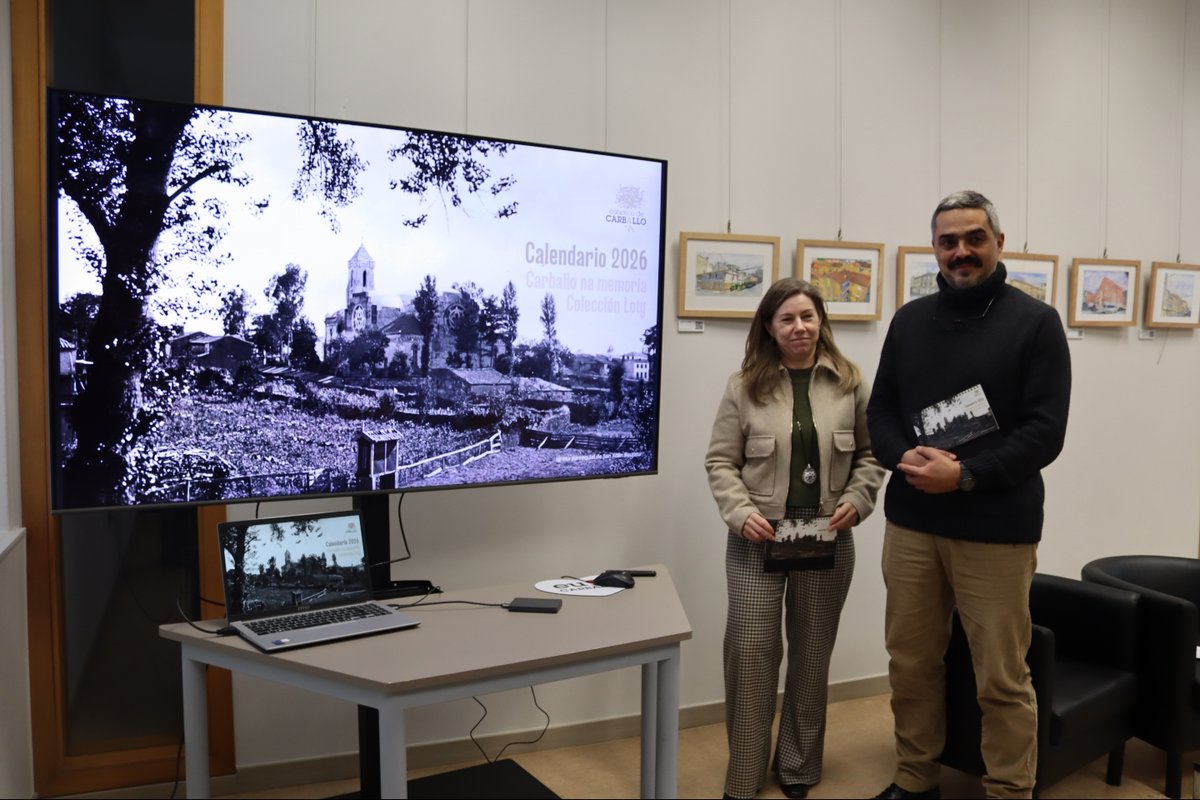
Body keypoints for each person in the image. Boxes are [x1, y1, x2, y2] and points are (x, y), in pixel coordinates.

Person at [867, 190, 1072, 800]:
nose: (961, 252)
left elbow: (1045, 432)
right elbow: (881, 409)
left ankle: (1009, 791)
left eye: (974, 238)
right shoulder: (909, 320)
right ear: (934, 248)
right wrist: (899, 456)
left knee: (1001, 679)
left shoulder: (1035, 323)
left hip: (996, 529)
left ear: (998, 243)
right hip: (912, 525)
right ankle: (915, 778)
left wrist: (966, 475)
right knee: (910, 663)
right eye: (948, 241)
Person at [707, 278, 885, 800]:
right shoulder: (743, 386)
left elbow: (872, 455)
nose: (799, 327)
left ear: (821, 320)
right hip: (756, 540)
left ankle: (800, 768)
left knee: (812, 654)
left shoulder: (851, 382)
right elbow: (720, 461)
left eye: (807, 316)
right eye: (787, 319)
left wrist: (859, 498)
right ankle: (744, 775)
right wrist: (740, 514)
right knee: (752, 651)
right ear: (769, 326)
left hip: (826, 537)